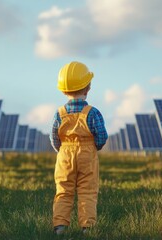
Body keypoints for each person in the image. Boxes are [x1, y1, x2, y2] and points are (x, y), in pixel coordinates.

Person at [50, 61, 108, 235]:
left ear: (63, 90)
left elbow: (54, 137)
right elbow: (102, 136)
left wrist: (61, 151)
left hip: (64, 155)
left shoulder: (59, 113)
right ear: (88, 87)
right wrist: (94, 147)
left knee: (63, 190)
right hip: (87, 154)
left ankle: (60, 227)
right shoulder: (93, 112)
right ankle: (87, 228)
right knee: (87, 191)